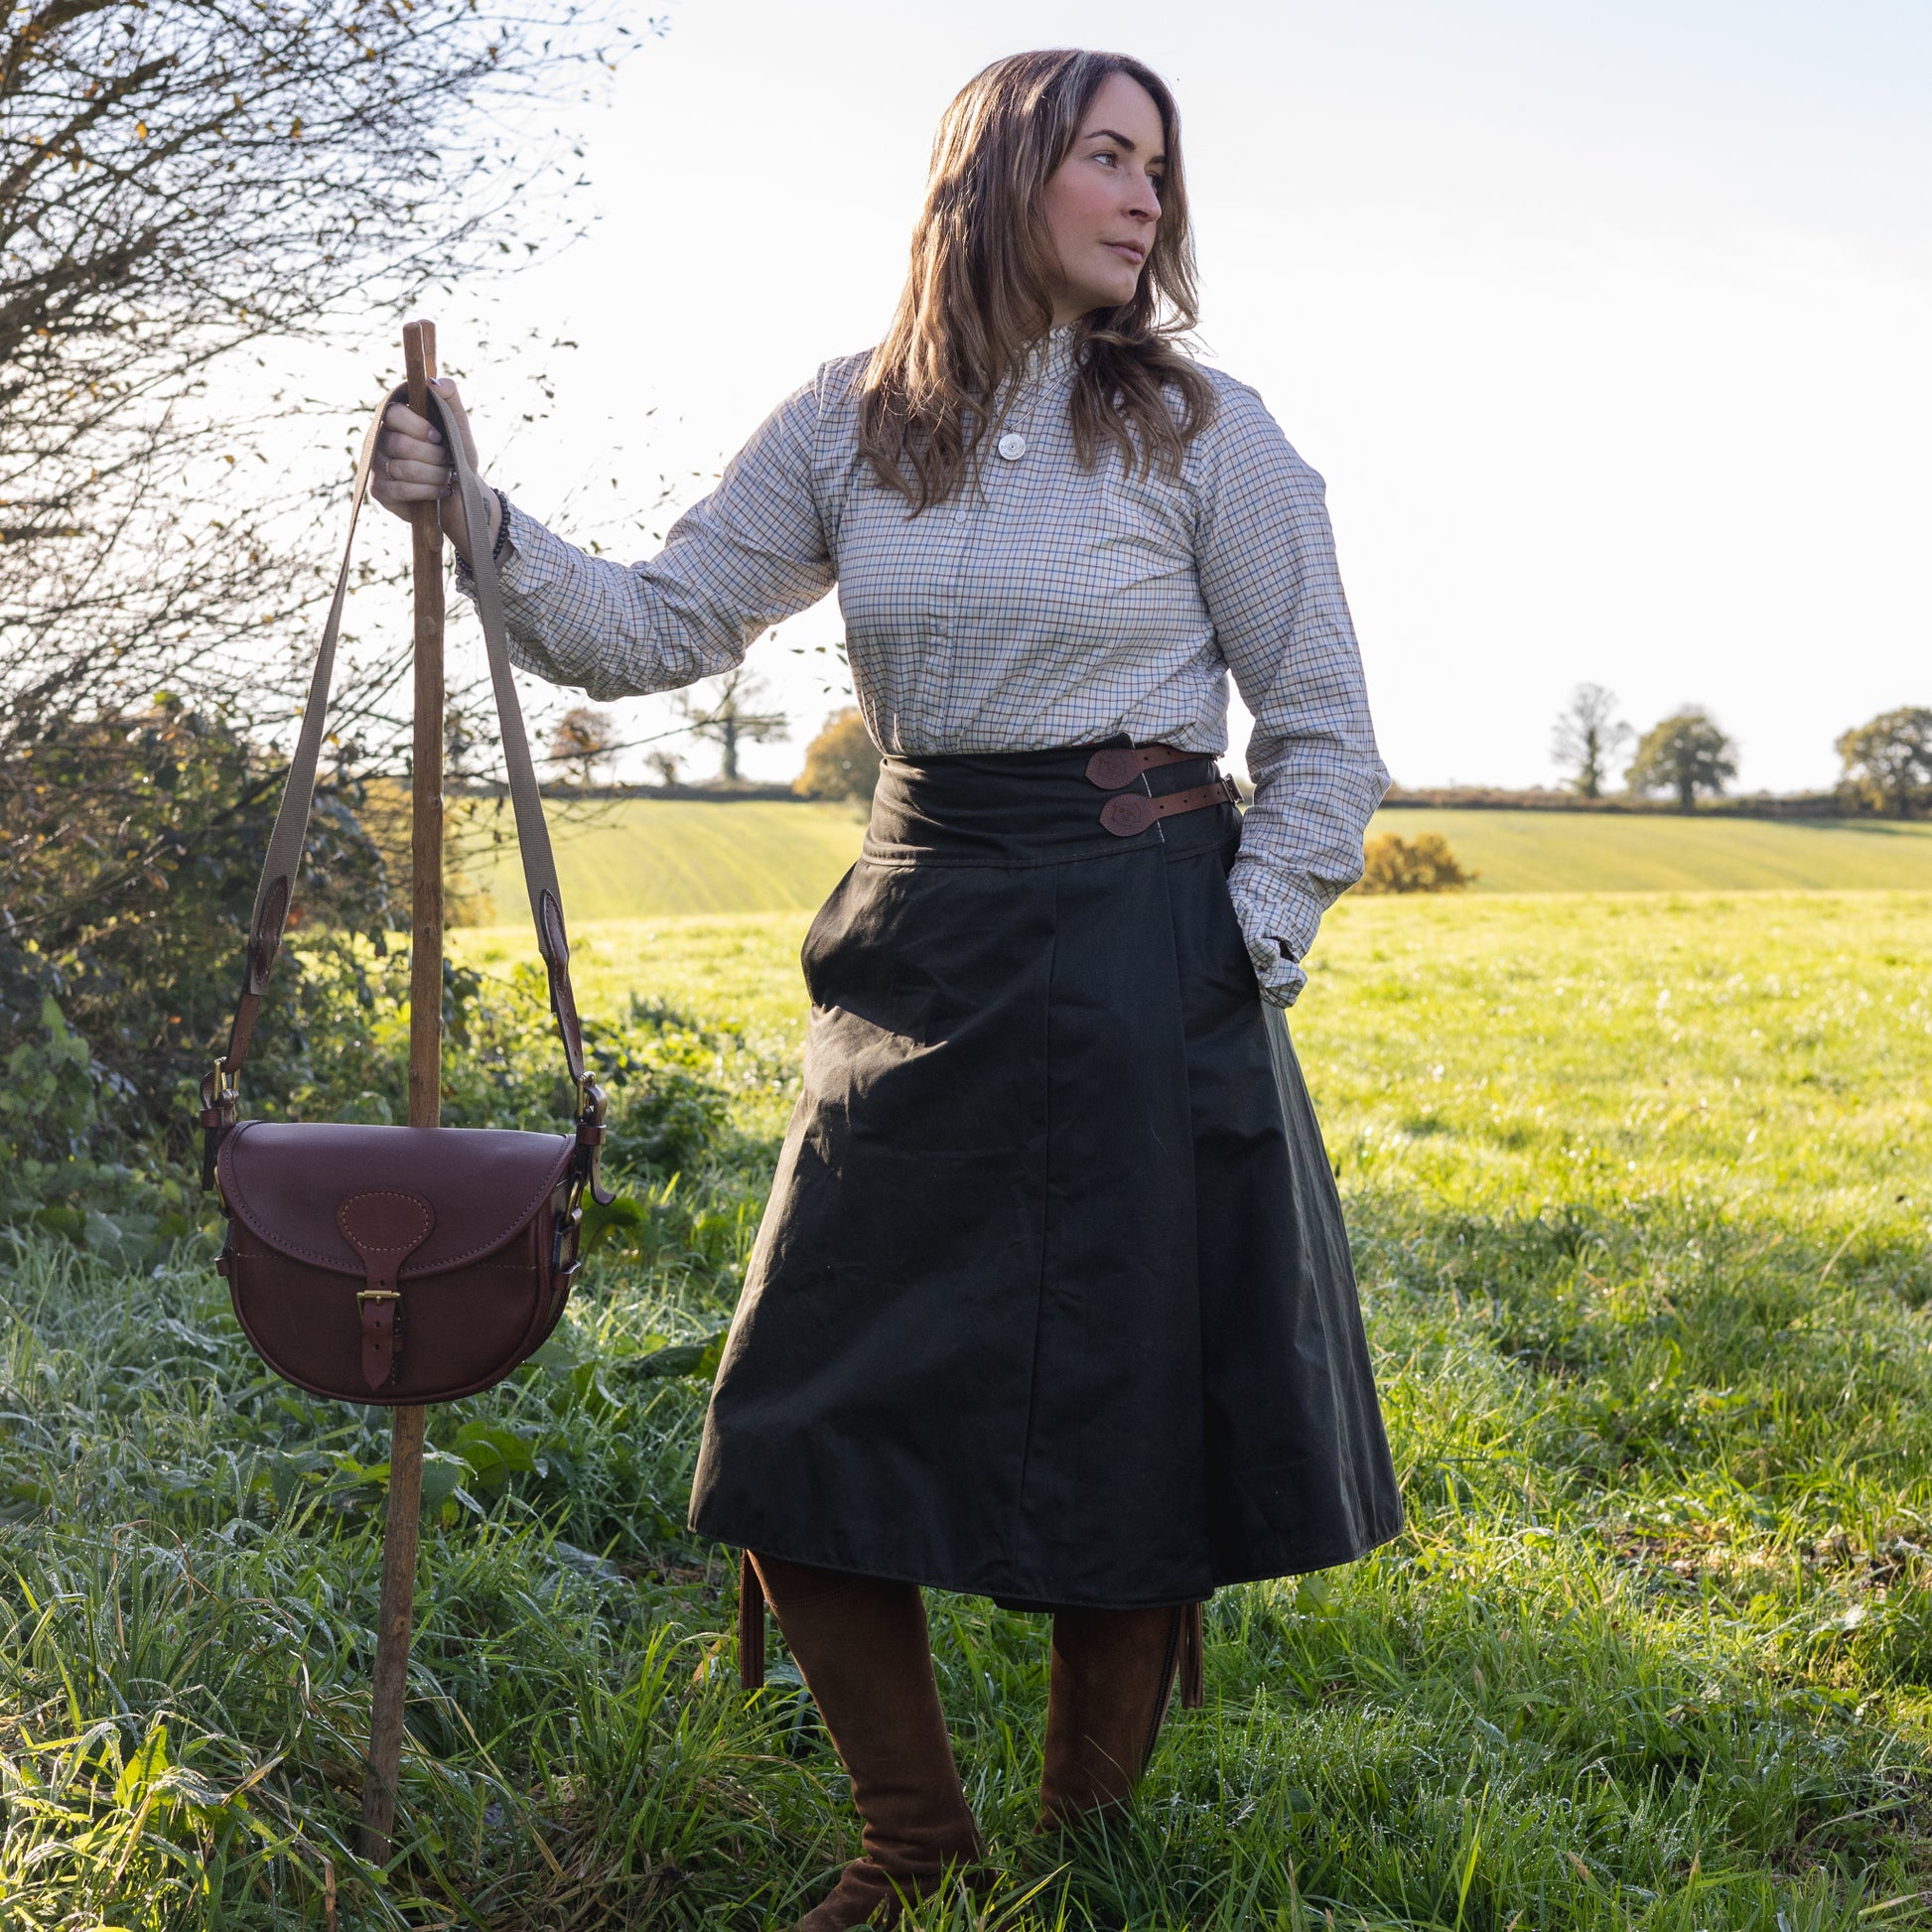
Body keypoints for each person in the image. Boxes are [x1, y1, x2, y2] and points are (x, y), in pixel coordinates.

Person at [374, 46, 1403, 1932]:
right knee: (795, 1406)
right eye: (1105, 156)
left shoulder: (1207, 433)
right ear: (998, 171)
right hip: (914, 934)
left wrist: (1240, 939)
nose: (1143, 198)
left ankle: (1089, 1847)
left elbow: (1323, 725)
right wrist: (479, 516)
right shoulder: (845, 426)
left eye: (1156, 169)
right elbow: (657, 626)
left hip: (1141, 942)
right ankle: (911, 1837)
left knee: (1123, 1405)